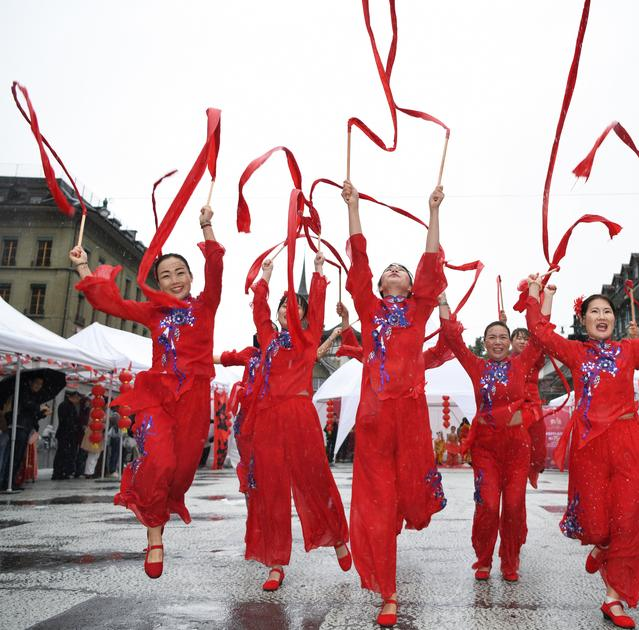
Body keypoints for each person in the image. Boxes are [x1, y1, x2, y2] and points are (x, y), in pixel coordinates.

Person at [525, 273, 639, 629]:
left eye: (607, 312)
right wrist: (540, 292)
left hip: (629, 440)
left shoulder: (629, 351)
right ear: (583, 321)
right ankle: (602, 546)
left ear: (613, 321)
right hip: (590, 445)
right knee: (598, 523)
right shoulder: (575, 351)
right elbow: (540, 332)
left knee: (631, 518)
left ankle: (613, 599)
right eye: (594, 312)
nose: (602, 317)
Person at [68, 203, 223, 579]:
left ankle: (160, 515)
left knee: (182, 471)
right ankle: (155, 537)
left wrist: (207, 228)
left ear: (189, 277)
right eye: (165, 275)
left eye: (180, 272)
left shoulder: (205, 305)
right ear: (157, 282)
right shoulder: (153, 312)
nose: (174, 279)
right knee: (159, 462)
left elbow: (216, 269)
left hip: (194, 399)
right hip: (157, 396)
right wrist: (83, 266)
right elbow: (110, 302)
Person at [342, 180, 446, 627]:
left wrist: (433, 210)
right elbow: (359, 259)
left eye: (400, 270)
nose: (395, 272)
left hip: (411, 417)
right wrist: (354, 206)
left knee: (410, 498)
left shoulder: (420, 309)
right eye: (390, 270)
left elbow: (429, 261)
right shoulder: (368, 307)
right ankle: (388, 591)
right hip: (374, 417)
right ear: (381, 283)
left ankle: (405, 515)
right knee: (378, 504)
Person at [233, 251, 351, 591]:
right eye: (284, 305)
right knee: (271, 491)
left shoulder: (308, 337)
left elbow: (317, 306)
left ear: (304, 313)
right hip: (268, 418)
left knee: (314, 480)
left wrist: (318, 270)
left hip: (299, 416)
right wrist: (265, 277)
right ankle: (275, 563)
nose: (290, 309)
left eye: (296, 305)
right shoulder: (269, 339)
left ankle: (337, 537)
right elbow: (259, 312)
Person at [439, 303, 543, 582]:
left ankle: (510, 561)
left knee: (512, 504)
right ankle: (483, 559)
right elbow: (452, 339)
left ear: (510, 343)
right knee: (486, 503)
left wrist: (540, 296)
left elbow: (540, 333)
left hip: (517, 447)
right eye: (492, 338)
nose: (498, 342)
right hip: (485, 447)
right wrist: (442, 300)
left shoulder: (521, 364)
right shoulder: (476, 365)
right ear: (484, 343)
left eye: (503, 338)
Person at [507, 324, 547, 488]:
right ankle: (515, 469)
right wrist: (503, 323)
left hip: (533, 403)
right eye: (519, 338)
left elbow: (540, 345)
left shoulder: (534, 357)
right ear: (511, 341)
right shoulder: (506, 360)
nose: (523, 341)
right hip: (515, 406)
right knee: (516, 440)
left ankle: (534, 469)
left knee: (539, 437)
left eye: (526, 339)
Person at [2, 375, 52, 490]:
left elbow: (32, 416)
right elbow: (26, 405)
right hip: (19, 427)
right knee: (14, 456)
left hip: (26, 428)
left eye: (40, 384)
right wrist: (39, 407)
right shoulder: (23, 392)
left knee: (18, 457)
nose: (38, 386)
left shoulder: (33, 396)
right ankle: (6, 482)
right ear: (30, 382)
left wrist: (43, 414)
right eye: (36, 383)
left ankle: (11, 481)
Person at [52, 391, 82, 480]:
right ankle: (58, 472)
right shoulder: (65, 406)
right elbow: (66, 420)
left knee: (65, 453)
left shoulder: (71, 406)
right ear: (72, 397)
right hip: (65, 433)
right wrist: (73, 426)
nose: (77, 400)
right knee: (62, 453)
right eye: (77, 398)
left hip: (68, 434)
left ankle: (63, 471)